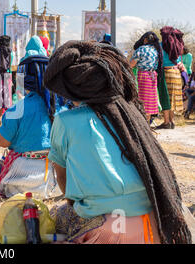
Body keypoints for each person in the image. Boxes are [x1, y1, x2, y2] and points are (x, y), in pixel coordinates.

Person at [43, 41, 191, 244]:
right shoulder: (132, 116)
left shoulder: (64, 121)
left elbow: (62, 178)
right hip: (150, 228)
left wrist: (77, 203)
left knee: (57, 216)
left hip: (105, 229)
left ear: (71, 89)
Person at [0, 42, 61, 198]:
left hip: (20, 183)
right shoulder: (59, 109)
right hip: (54, 182)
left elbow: (1, 141)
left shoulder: (18, 108)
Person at [130, 32, 163, 123]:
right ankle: (147, 125)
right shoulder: (156, 51)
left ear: (145, 40)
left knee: (141, 100)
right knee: (149, 102)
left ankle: (142, 125)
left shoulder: (141, 49)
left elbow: (132, 64)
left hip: (142, 77)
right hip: (152, 77)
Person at [156, 26, 185, 129]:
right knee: (172, 98)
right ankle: (172, 121)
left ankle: (166, 122)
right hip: (176, 73)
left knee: (165, 97)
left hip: (166, 72)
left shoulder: (160, 45)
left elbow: (158, 60)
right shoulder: (178, 45)